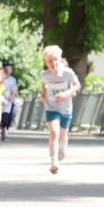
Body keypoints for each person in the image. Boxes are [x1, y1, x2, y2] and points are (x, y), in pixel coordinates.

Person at [41, 45, 81, 174]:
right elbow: (43, 90)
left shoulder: (67, 73)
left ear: (60, 59)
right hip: (52, 108)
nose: (53, 63)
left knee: (63, 136)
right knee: (54, 133)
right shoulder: (45, 75)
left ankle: (62, 148)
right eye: (50, 61)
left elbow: (77, 85)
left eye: (55, 60)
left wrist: (65, 94)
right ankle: (54, 162)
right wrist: (44, 97)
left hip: (65, 109)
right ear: (46, 63)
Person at [0, 62, 18, 141]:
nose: (9, 70)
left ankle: (4, 129)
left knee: (6, 117)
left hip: (8, 101)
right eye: (7, 69)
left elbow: (14, 91)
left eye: (10, 69)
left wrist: (9, 100)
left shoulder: (12, 80)